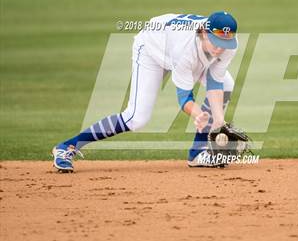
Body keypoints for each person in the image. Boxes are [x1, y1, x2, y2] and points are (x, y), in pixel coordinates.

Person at [52, 11, 239, 172]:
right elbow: (184, 97)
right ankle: (67, 147)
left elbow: (216, 82)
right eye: (216, 41)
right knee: (136, 118)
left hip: (173, 43)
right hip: (152, 48)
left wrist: (219, 121)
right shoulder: (185, 50)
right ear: (204, 33)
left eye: (225, 43)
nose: (220, 48)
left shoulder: (228, 44)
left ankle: (198, 153)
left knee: (227, 84)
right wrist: (199, 115)